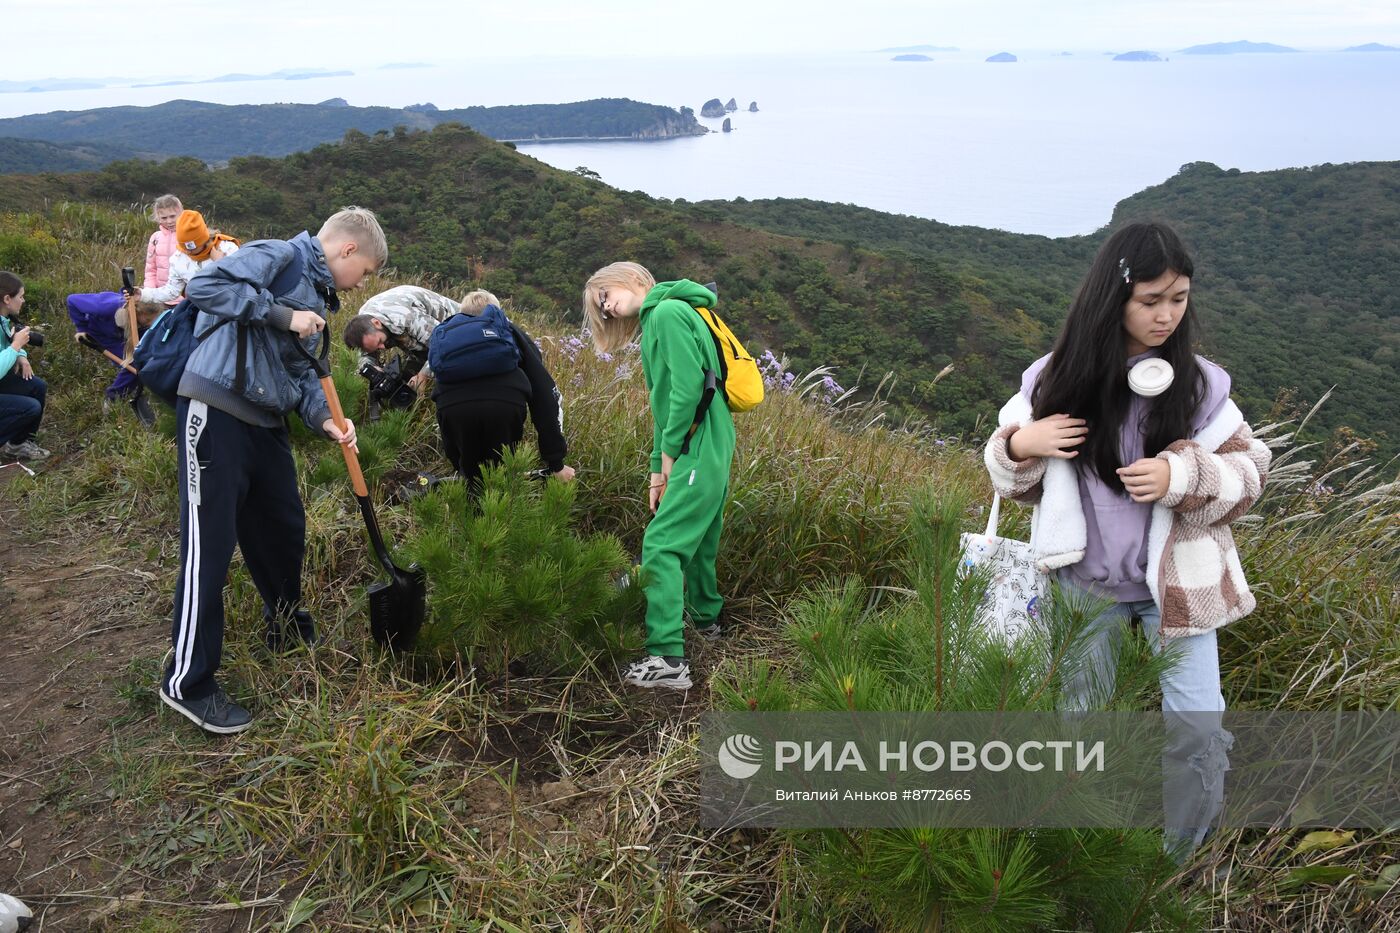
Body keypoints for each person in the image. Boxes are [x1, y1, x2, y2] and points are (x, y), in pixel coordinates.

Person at [982, 221, 1272, 861]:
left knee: (1199, 729)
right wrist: (1021, 445)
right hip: (1085, 587)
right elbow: (1009, 474)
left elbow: (1252, 475)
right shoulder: (1055, 378)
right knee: (1078, 727)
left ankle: (1171, 866)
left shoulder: (1201, 386)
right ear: (1113, 298)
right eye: (1151, 300)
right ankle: (1072, 854)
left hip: (1181, 590)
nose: (1167, 316)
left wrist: (1183, 475)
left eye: (1179, 298)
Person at [159, 206, 386, 735]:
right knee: (207, 550)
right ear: (347, 250)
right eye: (366, 272)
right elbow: (206, 286)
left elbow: (301, 378)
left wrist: (327, 421)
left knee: (284, 530)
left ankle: (285, 628)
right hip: (215, 412)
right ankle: (187, 683)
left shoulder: (320, 298)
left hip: (266, 424)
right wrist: (285, 316)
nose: (361, 285)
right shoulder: (277, 254)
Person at [582, 264, 734, 691]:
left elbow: (687, 393)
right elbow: (664, 404)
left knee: (662, 545)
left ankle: (667, 659)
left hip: (697, 442)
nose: (607, 309)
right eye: (603, 310)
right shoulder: (669, 314)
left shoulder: (665, 314)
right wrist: (656, 471)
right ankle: (708, 622)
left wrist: (669, 460)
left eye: (604, 296)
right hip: (710, 441)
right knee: (700, 537)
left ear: (630, 278)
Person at [431, 289, 575, 490]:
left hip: (452, 408)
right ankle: (500, 512)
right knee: (501, 473)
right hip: (505, 405)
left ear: (462, 312)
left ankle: (472, 507)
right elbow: (544, 397)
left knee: (471, 478)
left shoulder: (447, 335)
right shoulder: (507, 330)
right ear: (497, 313)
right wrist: (555, 462)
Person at [341, 284, 458, 419]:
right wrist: (372, 368)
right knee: (405, 386)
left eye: (380, 342)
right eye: (376, 346)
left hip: (460, 332)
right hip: (421, 344)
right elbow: (365, 354)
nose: (383, 348)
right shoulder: (363, 325)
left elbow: (446, 344)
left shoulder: (405, 317)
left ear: (377, 323)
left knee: (439, 385)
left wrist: (423, 376)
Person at [66, 291, 164, 424]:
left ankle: (151, 390)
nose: (150, 323)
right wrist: (81, 328)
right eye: (147, 320)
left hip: (129, 330)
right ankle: (112, 398)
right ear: (136, 312)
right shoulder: (104, 308)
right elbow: (72, 300)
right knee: (134, 365)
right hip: (104, 335)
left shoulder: (143, 322)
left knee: (145, 359)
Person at [140, 209, 240, 306]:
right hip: (199, 309)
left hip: (230, 306)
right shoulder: (178, 258)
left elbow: (240, 282)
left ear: (203, 240)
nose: (187, 251)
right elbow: (171, 291)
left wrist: (220, 263)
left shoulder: (227, 249)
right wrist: (142, 295)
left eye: (192, 247)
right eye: (183, 247)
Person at [0, 272, 49, 462]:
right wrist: (16, 347)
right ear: (6, 299)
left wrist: (20, 355)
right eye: (20, 296)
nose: (23, 300)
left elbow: (7, 341)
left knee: (37, 386)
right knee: (30, 408)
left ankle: (18, 443)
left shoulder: (4, 320)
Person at [144, 194, 183, 297]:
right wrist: (149, 293)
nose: (169, 221)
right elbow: (150, 270)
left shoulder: (190, 236)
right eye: (164, 218)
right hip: (160, 297)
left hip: (184, 299)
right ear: (158, 218)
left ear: (181, 213)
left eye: (172, 216)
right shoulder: (155, 238)